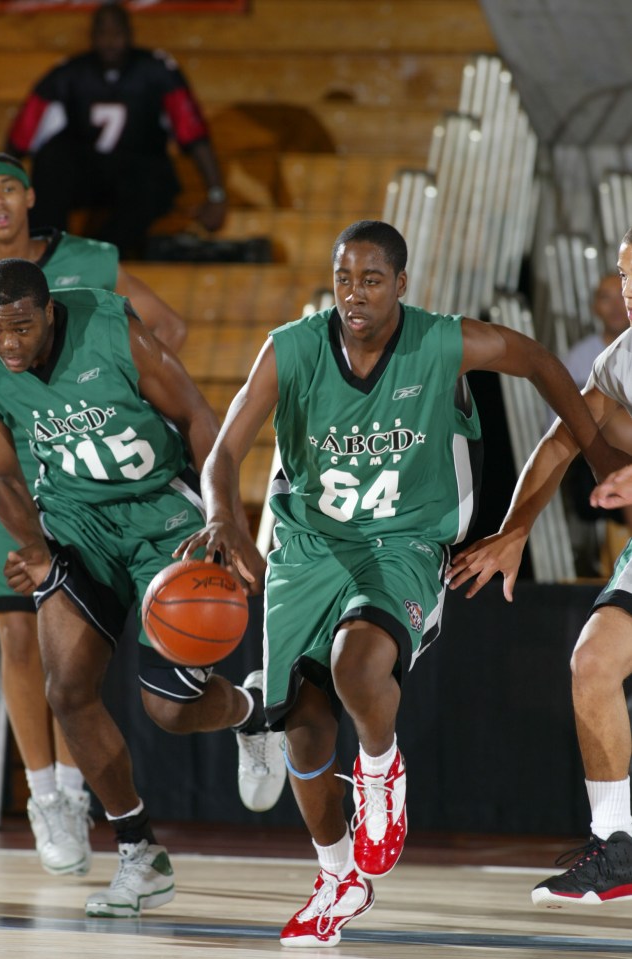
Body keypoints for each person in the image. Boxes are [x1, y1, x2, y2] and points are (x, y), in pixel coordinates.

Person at [175, 219, 624, 947]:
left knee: (358, 663)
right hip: (308, 546)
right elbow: (223, 450)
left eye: (372, 279)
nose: (355, 294)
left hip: (404, 539)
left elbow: (539, 358)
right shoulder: (292, 347)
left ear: (402, 285)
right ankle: (336, 874)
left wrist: (602, 451)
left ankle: (381, 770)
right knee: (303, 724)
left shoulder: (441, 341)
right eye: (344, 278)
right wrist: (225, 516)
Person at [0, 258, 285, 918]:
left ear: (48, 314)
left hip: (163, 513)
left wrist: (226, 519)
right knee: (65, 688)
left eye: (19, 328)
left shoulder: (107, 327)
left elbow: (197, 414)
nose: (7, 343)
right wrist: (36, 552)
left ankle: (251, 710)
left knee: (171, 709)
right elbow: (3, 477)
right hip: (77, 522)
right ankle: (138, 852)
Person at [0, 151, 188, 877]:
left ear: (30, 195)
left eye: (8, 188)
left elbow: (169, 327)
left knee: (147, 678)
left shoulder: (88, 268)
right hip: (24, 481)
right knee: (23, 637)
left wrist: (114, 398)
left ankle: (79, 788)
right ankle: (52, 799)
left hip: (115, 483)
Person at [447, 229, 632, 908]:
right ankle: (618, 845)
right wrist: (516, 529)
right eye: (623, 275)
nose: (631, 291)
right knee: (593, 660)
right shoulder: (619, 361)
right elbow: (559, 444)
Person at [5, 1, 227, 258]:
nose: (110, 42)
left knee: (158, 179)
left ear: (130, 35)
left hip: (137, 174)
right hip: (87, 174)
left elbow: (194, 135)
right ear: (92, 37)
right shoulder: (68, 74)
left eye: (117, 34)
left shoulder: (158, 72)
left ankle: (97, 255)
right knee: (51, 158)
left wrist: (216, 193)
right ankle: (49, 252)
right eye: (103, 34)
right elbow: (21, 140)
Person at [554, 273, 632, 574]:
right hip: (593, 462)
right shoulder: (581, 358)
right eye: (605, 297)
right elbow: (564, 428)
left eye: (621, 293)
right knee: (613, 421)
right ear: (594, 307)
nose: (616, 305)